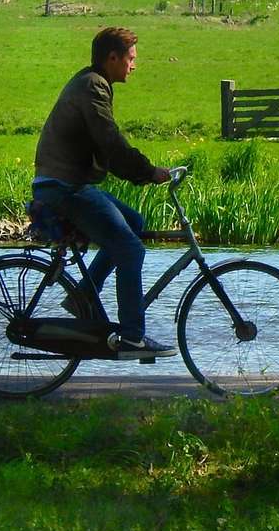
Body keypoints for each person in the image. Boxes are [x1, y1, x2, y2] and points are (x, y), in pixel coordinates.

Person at [29, 26, 176, 359]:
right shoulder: (93, 86)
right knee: (130, 250)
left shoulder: (92, 82)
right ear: (113, 58)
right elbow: (109, 142)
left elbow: (106, 145)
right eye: (131, 59)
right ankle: (132, 337)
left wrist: (142, 171)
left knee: (134, 223)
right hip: (64, 187)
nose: (134, 66)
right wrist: (147, 172)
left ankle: (83, 298)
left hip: (65, 183)